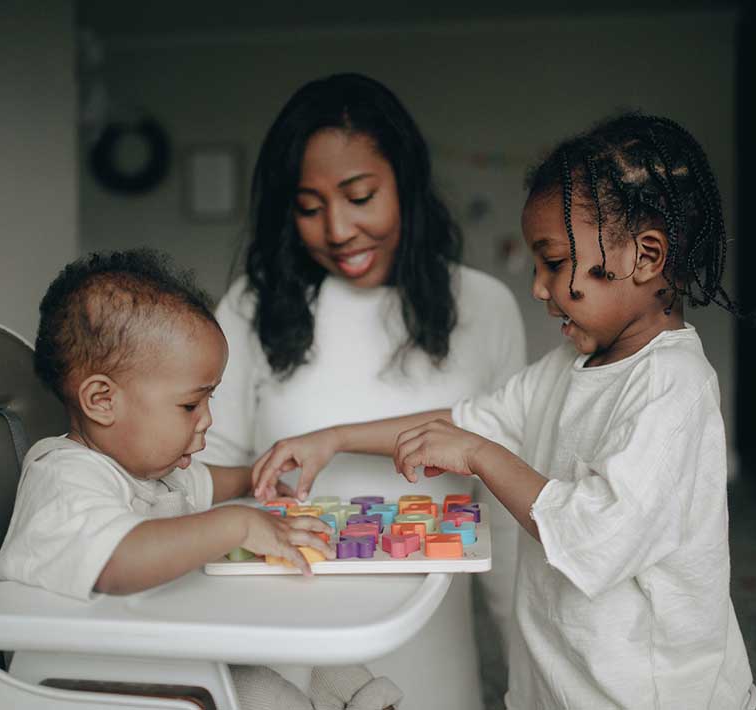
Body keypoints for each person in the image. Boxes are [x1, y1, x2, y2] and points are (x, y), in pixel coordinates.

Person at [250, 113, 756, 709]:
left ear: (645, 257)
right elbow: (463, 422)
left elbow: (594, 536)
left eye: (553, 261)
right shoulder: (566, 371)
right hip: (564, 681)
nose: (539, 287)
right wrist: (333, 438)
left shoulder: (674, 387)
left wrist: (480, 457)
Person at [200, 73, 526, 709]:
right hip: (285, 640)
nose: (339, 230)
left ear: (405, 181)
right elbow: (203, 477)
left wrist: (528, 664)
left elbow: (508, 507)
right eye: (309, 206)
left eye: (360, 196)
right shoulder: (251, 307)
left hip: (433, 641)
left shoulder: (486, 307)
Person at [0, 249, 396, 710]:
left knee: (321, 646)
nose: (207, 421)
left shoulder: (156, 472)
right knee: (265, 695)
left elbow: (207, 483)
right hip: (91, 680)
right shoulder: (62, 477)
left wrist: (252, 478)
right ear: (102, 400)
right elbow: (119, 560)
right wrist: (236, 525)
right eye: (190, 405)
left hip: (164, 652)